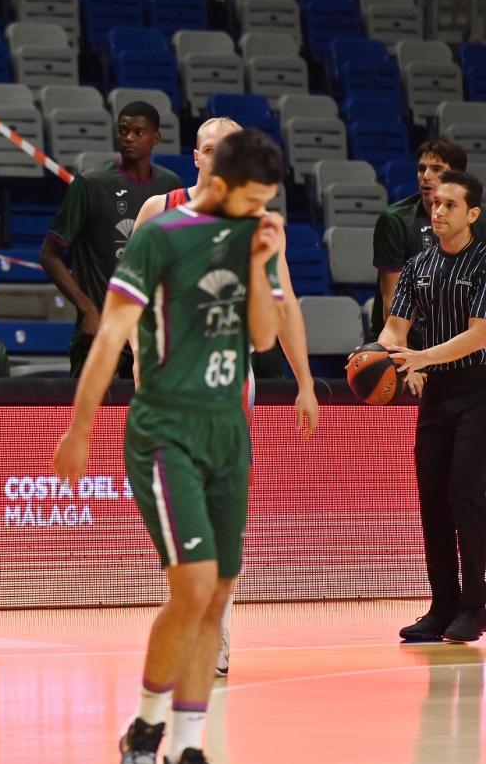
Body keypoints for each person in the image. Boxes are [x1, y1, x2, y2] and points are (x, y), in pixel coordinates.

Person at [52, 129, 287, 764]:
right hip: (166, 428)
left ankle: (187, 745)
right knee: (193, 585)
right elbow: (109, 338)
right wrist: (80, 428)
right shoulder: (161, 233)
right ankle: (147, 722)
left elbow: (263, 340)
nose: (260, 209)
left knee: (215, 595)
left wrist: (262, 266)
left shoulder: (255, 233)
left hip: (226, 431)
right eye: (253, 198)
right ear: (221, 181)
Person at [133, 118, 321, 677]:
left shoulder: (259, 224)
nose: (218, 157)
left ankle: (214, 631)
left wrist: (306, 382)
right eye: (209, 148)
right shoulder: (156, 211)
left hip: (227, 390)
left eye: (228, 149)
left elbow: (284, 307)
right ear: (195, 156)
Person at [381, 171, 486, 644]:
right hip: (436, 395)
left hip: (478, 391)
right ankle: (441, 607)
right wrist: (388, 357)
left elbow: (480, 333)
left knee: (465, 497)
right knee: (433, 503)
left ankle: (475, 605)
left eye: (450, 204)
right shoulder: (419, 263)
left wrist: (422, 356)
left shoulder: (483, 263)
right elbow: (394, 329)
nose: (438, 211)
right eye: (435, 203)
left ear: (472, 214)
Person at [40, 101, 183, 377]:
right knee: (94, 420)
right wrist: (87, 309)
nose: (129, 137)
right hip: (100, 329)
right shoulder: (90, 183)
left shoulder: (170, 186)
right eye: (123, 131)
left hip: (148, 333)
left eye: (138, 132)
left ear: (156, 138)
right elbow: (49, 254)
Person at [372, 139, 481, 341]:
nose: (426, 176)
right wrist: (408, 362)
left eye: (437, 169)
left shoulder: (480, 224)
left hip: (462, 344)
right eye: (422, 169)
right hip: (409, 341)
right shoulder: (396, 220)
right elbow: (392, 308)